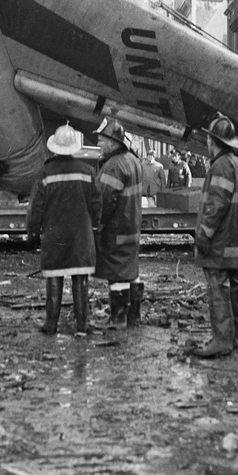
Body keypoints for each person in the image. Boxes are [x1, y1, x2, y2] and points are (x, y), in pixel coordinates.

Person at [28, 124, 101, 336]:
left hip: (54, 236)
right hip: (81, 236)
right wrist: (94, 226)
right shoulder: (88, 172)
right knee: (80, 281)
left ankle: (51, 325)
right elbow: (97, 204)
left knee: (54, 279)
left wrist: (32, 232)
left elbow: (36, 208)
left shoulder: (45, 173)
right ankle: (82, 326)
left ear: (54, 148)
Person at [193, 115, 238, 358]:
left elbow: (215, 205)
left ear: (212, 140)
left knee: (217, 289)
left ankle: (221, 340)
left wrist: (203, 236)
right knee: (232, 289)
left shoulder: (220, 166)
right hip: (234, 244)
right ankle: (236, 338)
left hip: (220, 243)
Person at [93, 118, 144, 328]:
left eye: (101, 141)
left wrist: (98, 226)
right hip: (132, 228)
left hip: (116, 230)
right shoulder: (133, 161)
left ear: (113, 143)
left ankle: (118, 318)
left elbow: (105, 201)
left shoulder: (114, 166)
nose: (98, 145)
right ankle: (134, 317)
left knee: (116, 276)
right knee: (131, 273)